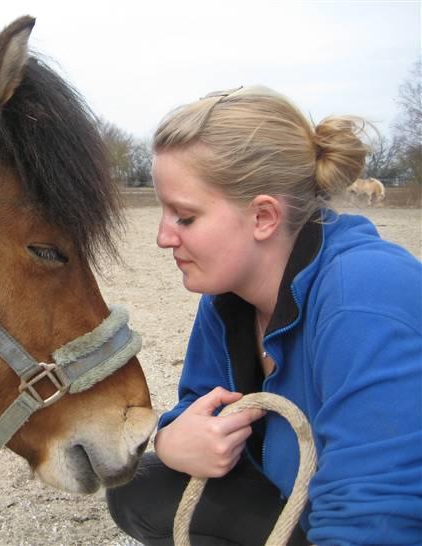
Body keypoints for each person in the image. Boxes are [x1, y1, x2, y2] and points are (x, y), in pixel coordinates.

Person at [106, 85, 422, 545]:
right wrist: (173, 440)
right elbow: (198, 403)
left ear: (263, 218)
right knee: (143, 488)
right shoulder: (228, 297)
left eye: (185, 217)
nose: (163, 237)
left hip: (374, 519)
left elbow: (375, 518)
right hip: (300, 501)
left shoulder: (365, 294)